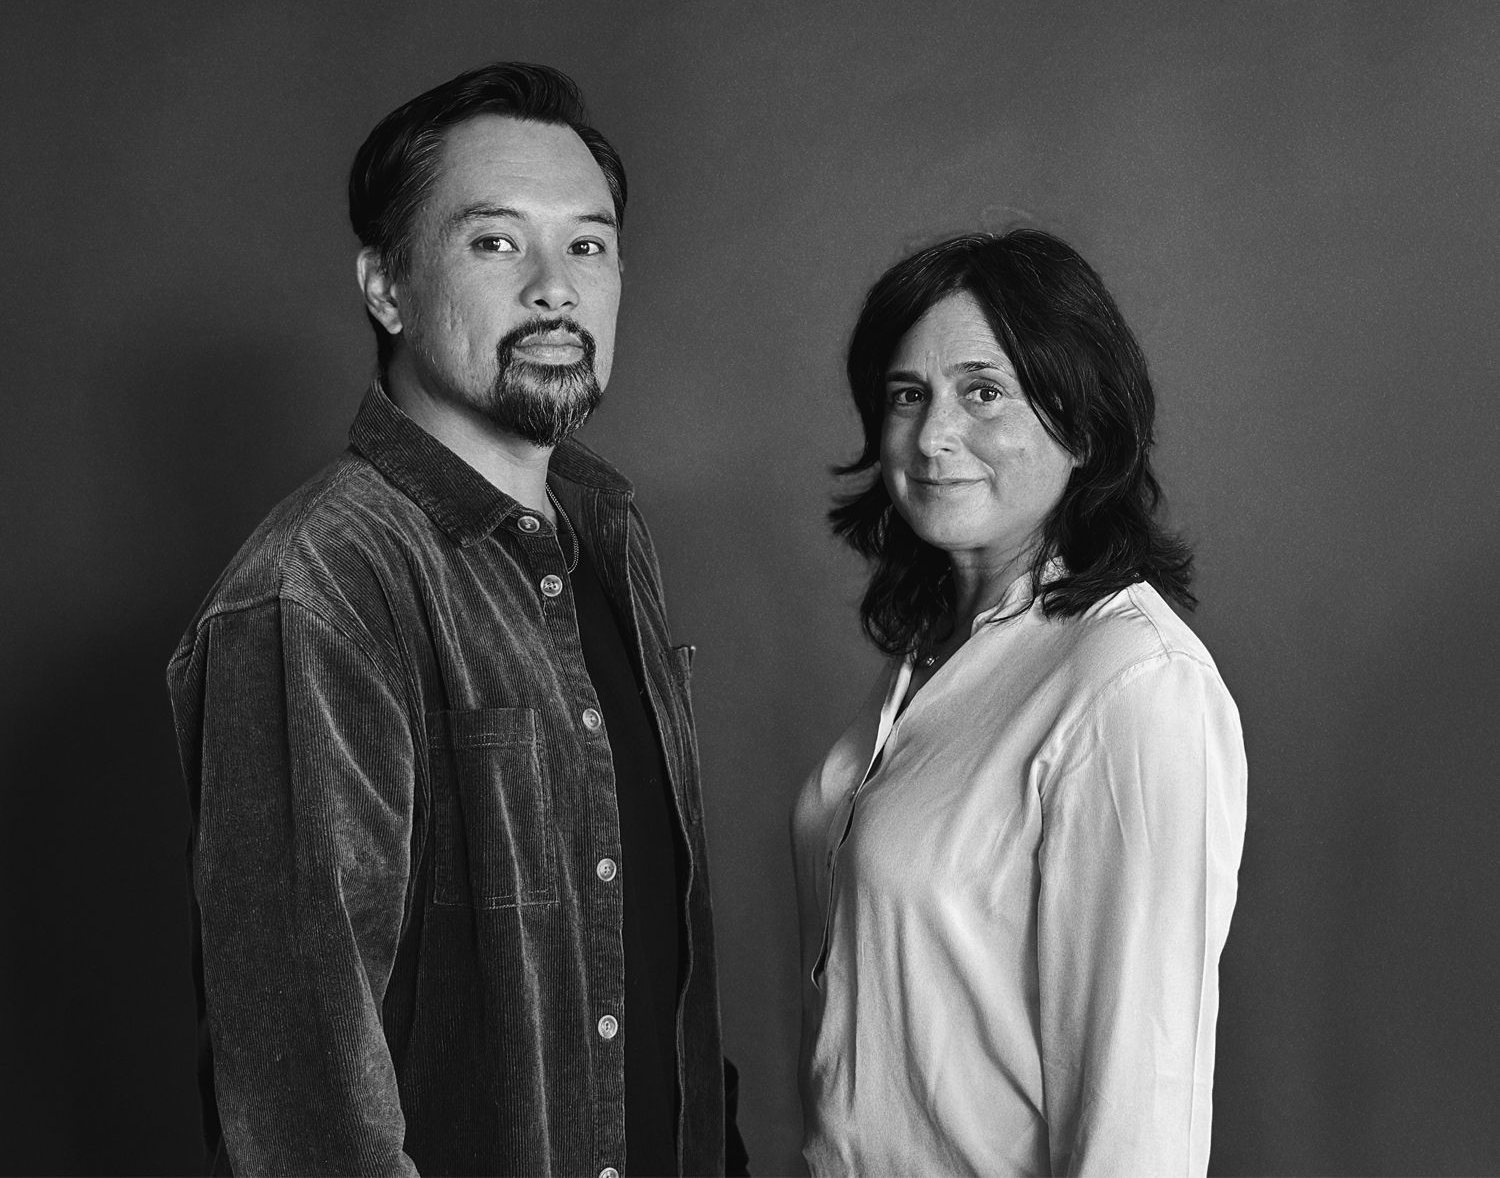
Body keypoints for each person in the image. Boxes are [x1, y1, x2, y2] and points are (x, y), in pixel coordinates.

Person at [166, 63, 745, 1177]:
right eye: (496, 243)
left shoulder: (608, 536)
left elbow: (653, 964)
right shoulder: (319, 587)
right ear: (386, 287)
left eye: (587, 244)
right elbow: (307, 1110)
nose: (555, 287)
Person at [792, 229, 1247, 1177]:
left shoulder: (1132, 682)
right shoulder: (934, 656)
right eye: (906, 396)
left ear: (1081, 425)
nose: (933, 434)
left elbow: (1140, 1114)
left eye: (983, 391)